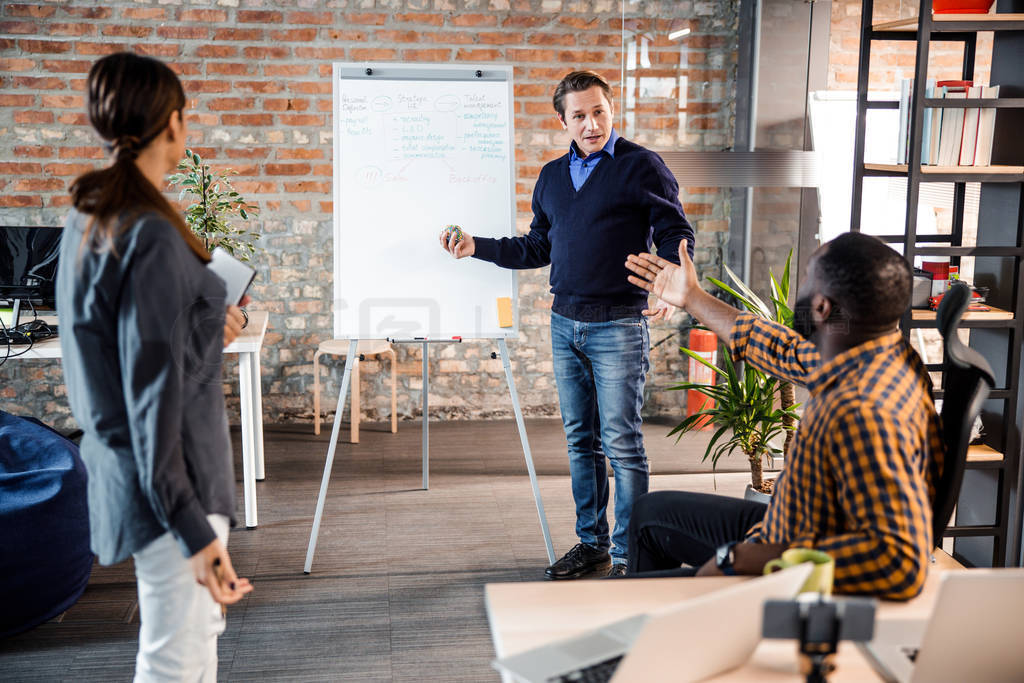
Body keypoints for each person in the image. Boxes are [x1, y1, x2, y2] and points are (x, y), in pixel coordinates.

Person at [440, 70, 693, 579]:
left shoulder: (642, 166)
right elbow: (537, 246)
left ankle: (630, 554)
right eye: (579, 115)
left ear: (611, 110)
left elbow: (675, 232)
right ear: (563, 121)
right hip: (565, 324)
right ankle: (592, 544)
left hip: (619, 325)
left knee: (622, 444)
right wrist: (476, 247)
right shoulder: (552, 176)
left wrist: (670, 280)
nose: (591, 123)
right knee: (582, 441)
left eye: (599, 111)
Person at [57, 52, 253, 680]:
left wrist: (198, 333)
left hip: (139, 476)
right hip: (174, 486)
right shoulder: (150, 234)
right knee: (176, 663)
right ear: (173, 122)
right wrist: (195, 531)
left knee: (186, 656)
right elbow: (149, 400)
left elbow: (129, 360)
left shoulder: (90, 217)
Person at [622, 233, 944, 600]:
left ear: (822, 308)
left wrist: (742, 558)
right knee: (650, 513)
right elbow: (781, 348)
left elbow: (899, 561)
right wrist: (692, 297)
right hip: (792, 524)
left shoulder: (862, 409)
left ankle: (648, 633)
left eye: (807, 278)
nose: (801, 288)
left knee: (621, 588)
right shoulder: (875, 353)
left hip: (788, 562)